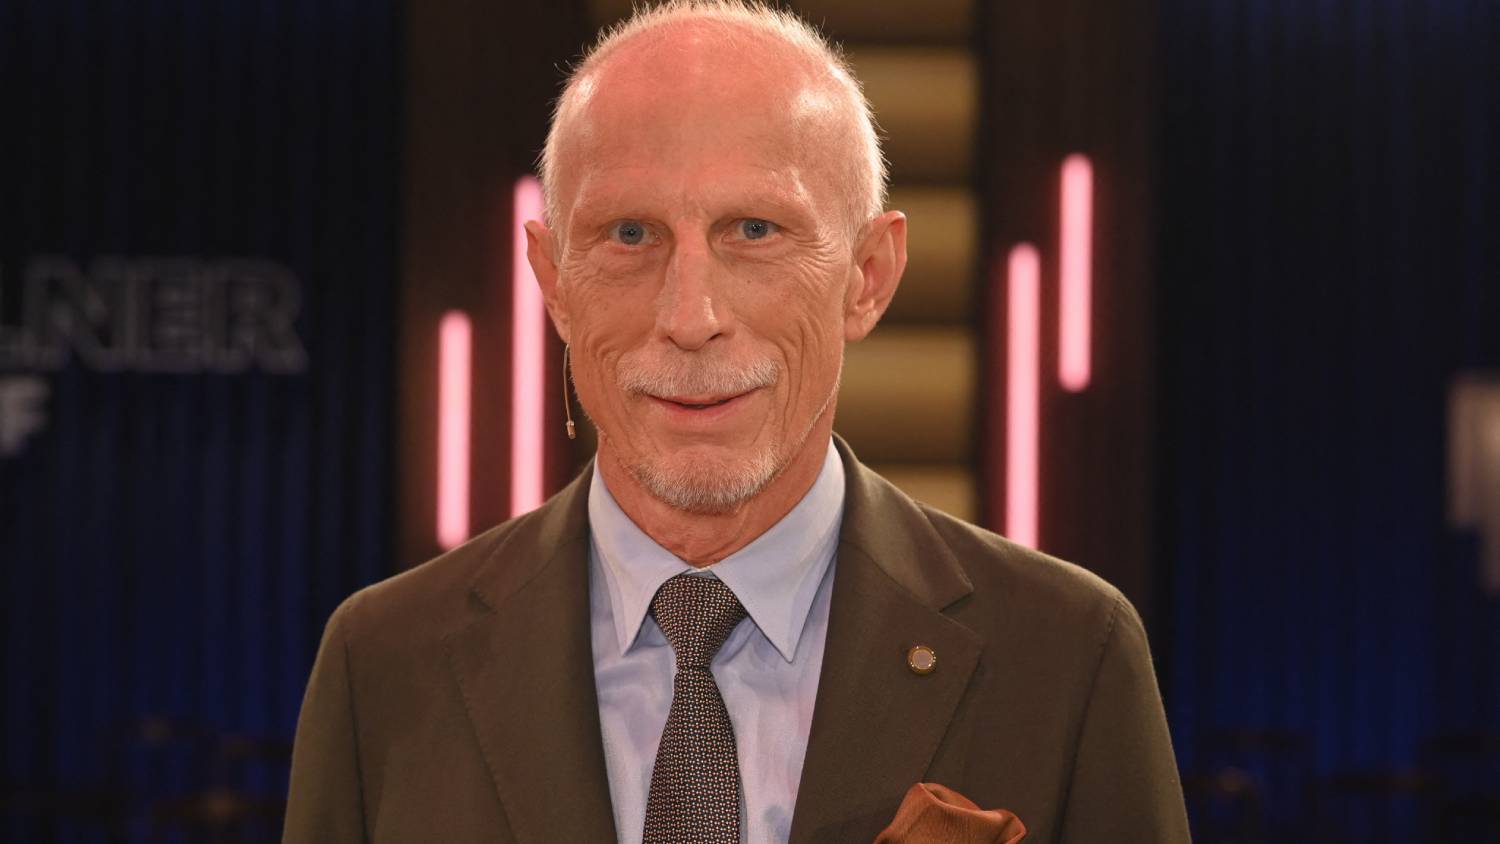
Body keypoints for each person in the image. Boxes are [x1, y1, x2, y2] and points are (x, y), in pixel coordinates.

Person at [283, 2, 1190, 842]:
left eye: (754, 230)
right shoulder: (381, 664)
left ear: (869, 276)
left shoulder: (1069, 655)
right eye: (630, 234)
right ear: (553, 280)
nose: (690, 317)